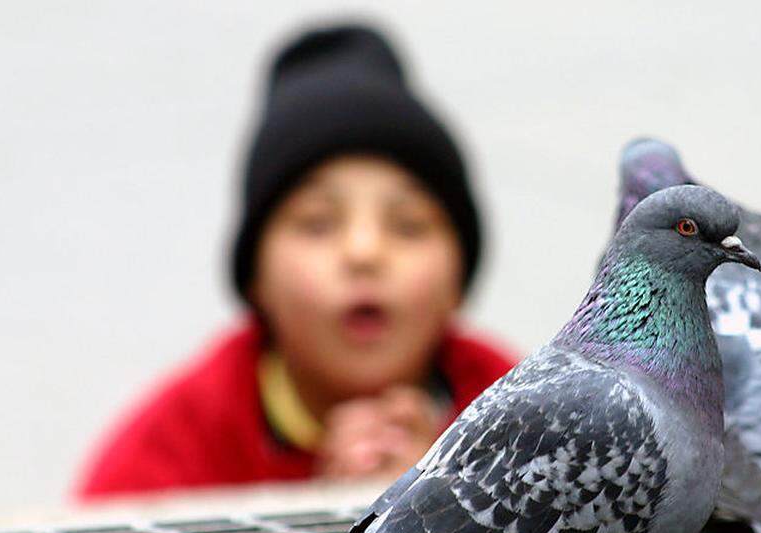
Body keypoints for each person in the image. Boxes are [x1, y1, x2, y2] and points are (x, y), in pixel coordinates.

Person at [75, 24, 516, 499]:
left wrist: (445, 504)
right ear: (255, 279)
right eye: (317, 223)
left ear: (458, 279)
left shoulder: (523, 421)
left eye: (408, 226)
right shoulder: (169, 452)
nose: (364, 253)